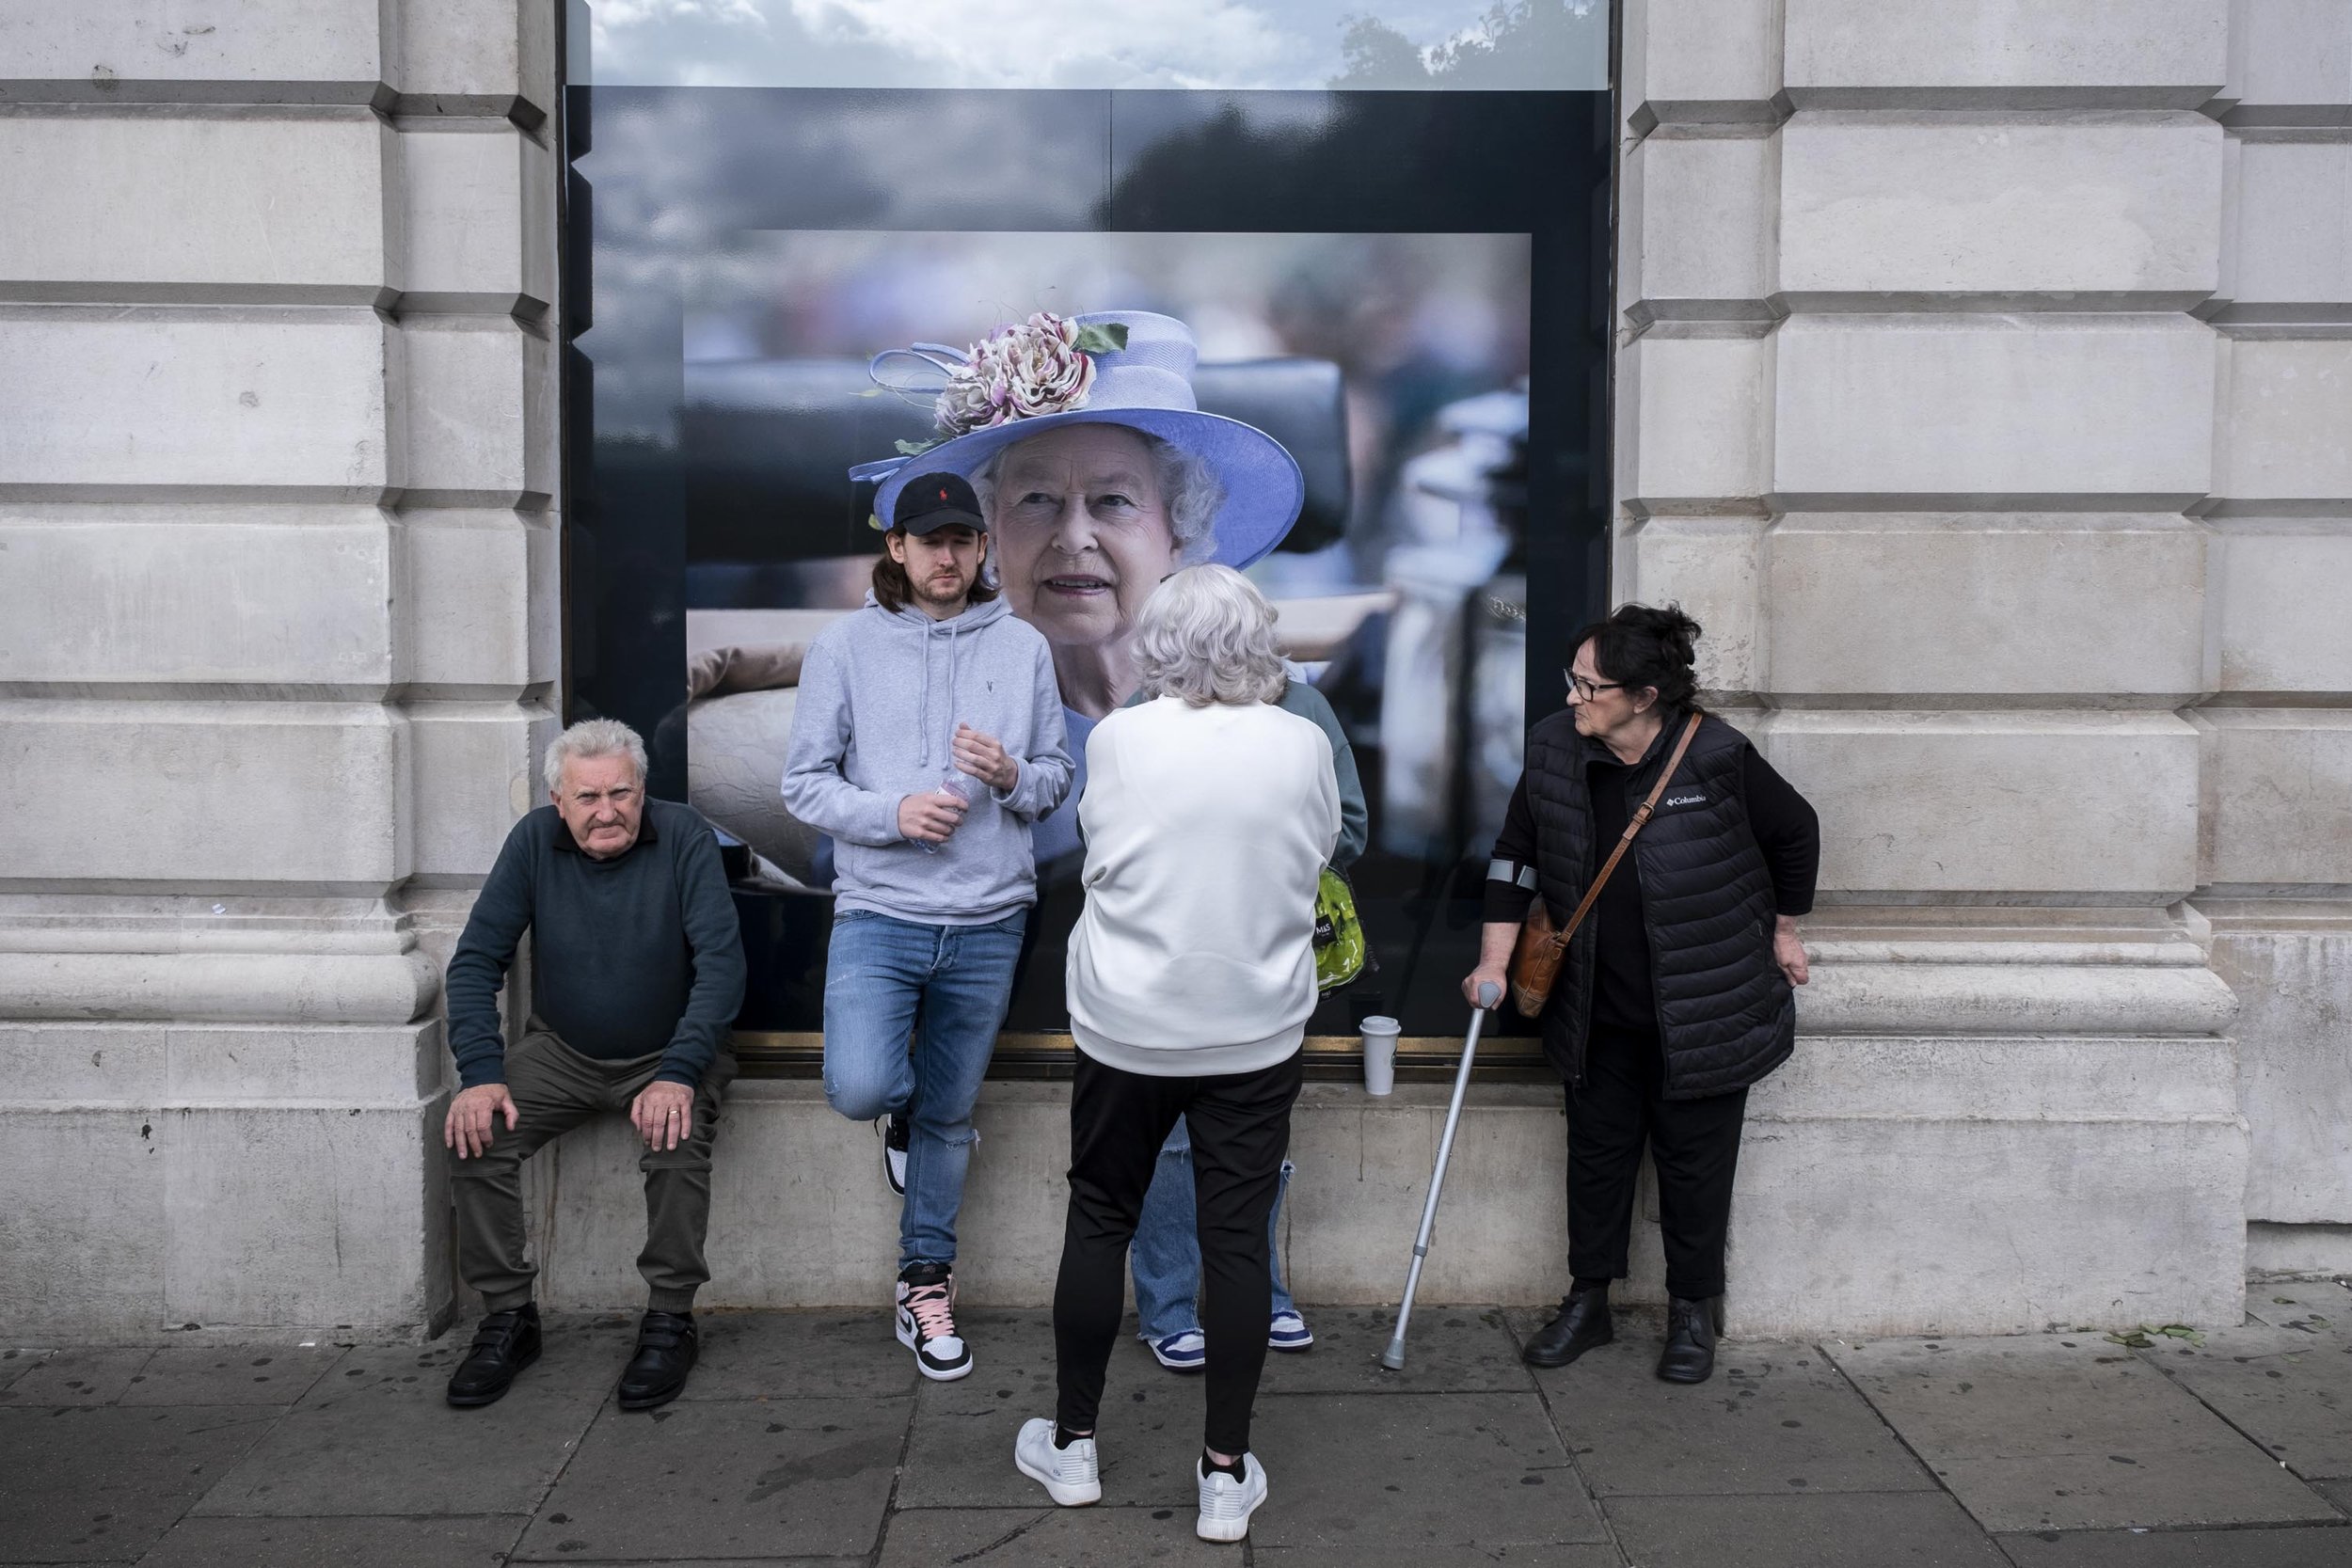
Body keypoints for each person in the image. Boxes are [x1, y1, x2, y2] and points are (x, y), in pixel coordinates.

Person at [1016, 565, 1339, 1544]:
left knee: (1100, 1219)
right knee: (1235, 1242)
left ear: (1155, 644)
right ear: (1259, 643)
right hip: (1253, 1026)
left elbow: (1098, 843)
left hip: (1127, 1025)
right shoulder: (1301, 741)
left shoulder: (1117, 737)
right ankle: (1223, 1474)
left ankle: (1071, 1444)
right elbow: (1318, 850)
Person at [1463, 604, 1819, 1385]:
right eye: (1574, 679)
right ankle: (1588, 1301)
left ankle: (1692, 1312)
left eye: (1590, 685)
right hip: (1595, 1005)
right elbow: (1514, 857)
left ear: (1645, 695)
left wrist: (1784, 930)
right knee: (1596, 1158)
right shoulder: (1555, 749)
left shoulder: (1717, 755)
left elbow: (1796, 830)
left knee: (1695, 1165)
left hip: (1704, 1005)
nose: (1573, 697)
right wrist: (1494, 961)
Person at [781, 471, 1073, 1382]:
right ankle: (901, 1119)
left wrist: (1011, 776)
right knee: (863, 1085)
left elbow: (1058, 778)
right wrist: (893, 811)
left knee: (951, 1115)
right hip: (880, 911)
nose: (946, 555)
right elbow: (803, 783)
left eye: (962, 539)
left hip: (989, 918)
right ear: (896, 548)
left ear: (982, 550)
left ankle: (923, 1282)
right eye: (928, 539)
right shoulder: (842, 648)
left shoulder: (1023, 647)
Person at [440, 719, 746, 1412]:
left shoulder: (684, 834)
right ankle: (509, 1316)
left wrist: (679, 1069)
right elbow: (474, 962)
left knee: (676, 1132)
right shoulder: (530, 843)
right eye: (588, 797)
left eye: (621, 793)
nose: (607, 811)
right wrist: (481, 1070)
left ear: (643, 790)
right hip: (562, 1049)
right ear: (558, 798)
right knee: (476, 1130)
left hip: (668, 1051)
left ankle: (671, 1316)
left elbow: (722, 966)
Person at [1127, 664, 1368, 1371]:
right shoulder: (1147, 709)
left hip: (1267, 954)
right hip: (1169, 956)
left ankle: (1259, 1295)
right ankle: (1168, 1306)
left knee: (1259, 1139)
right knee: (1169, 1141)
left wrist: (1252, 853)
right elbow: (1106, 827)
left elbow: (1347, 826)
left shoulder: (1304, 708)